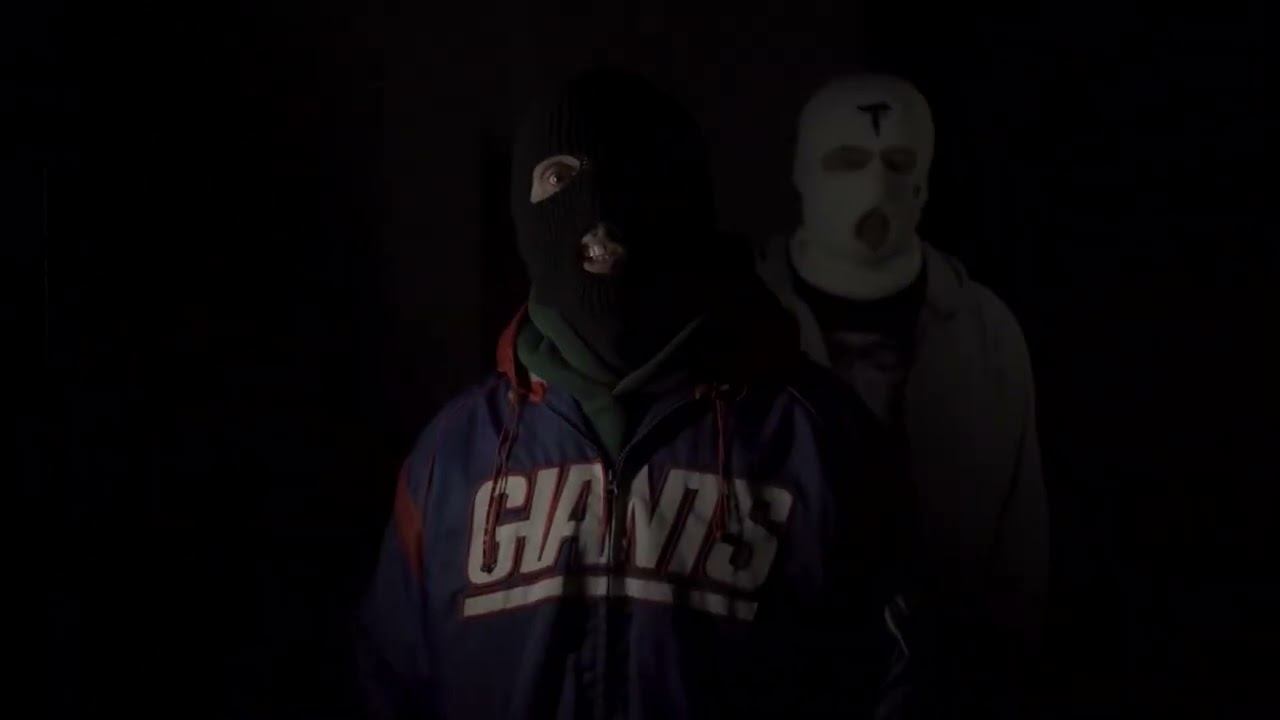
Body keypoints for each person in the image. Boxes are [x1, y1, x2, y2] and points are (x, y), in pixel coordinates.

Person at [357, 68, 910, 719]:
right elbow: (389, 685)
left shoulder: (818, 441)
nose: (595, 206)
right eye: (558, 178)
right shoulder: (450, 459)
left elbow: (896, 682)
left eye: (633, 172)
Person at [755, 73, 1049, 716]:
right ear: (802, 171)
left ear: (924, 179)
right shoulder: (738, 321)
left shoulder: (987, 334)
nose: (874, 186)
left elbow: (1019, 561)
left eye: (897, 162)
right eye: (848, 160)